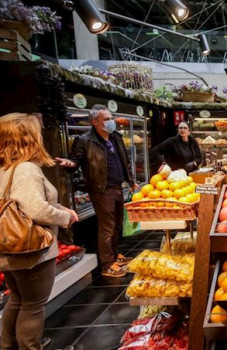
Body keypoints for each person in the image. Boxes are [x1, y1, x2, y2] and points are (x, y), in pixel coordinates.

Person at [0, 113, 78, 350]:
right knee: (33, 306)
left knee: (17, 300)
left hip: (8, 247)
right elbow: (35, 210)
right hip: (31, 250)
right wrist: (65, 217)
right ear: (26, 137)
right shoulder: (26, 169)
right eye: (37, 132)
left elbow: (16, 203)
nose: (41, 136)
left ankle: (8, 345)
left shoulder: (5, 167)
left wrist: (57, 206)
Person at [55, 105, 138, 278]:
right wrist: (71, 164)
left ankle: (115, 256)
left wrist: (131, 180)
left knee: (117, 224)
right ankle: (107, 264)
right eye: (106, 119)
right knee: (107, 228)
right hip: (101, 189)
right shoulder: (85, 141)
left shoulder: (115, 137)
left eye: (110, 118)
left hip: (117, 187)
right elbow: (75, 160)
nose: (110, 122)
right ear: (94, 122)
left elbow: (124, 160)